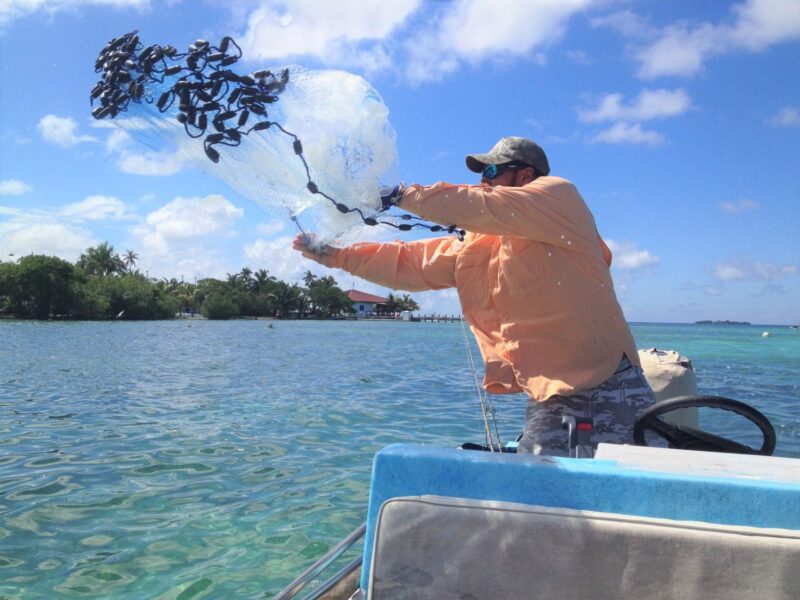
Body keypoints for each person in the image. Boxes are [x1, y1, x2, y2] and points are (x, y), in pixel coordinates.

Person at [293, 136, 656, 456]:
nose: (484, 181)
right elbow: (412, 262)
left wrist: (398, 194)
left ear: (526, 176)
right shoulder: (480, 243)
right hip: (550, 395)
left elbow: (477, 206)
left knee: (635, 501)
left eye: (493, 171)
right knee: (540, 507)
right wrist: (334, 255)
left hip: (610, 385)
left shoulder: (560, 197)